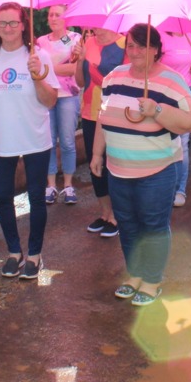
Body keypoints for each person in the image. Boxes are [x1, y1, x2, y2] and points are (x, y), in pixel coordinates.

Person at [90, 23, 191, 307]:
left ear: (155, 50)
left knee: (153, 224)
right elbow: (103, 117)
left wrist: (157, 110)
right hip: (118, 168)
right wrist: (97, 155)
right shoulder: (113, 77)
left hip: (157, 171)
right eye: (132, 46)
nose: (135, 51)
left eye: (142, 46)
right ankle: (135, 274)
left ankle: (152, 279)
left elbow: (188, 122)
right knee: (127, 223)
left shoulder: (172, 81)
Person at [0, 3, 59, 280]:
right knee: (2, 196)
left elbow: (50, 101)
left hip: (35, 139)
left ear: (24, 25)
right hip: (2, 142)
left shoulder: (39, 56)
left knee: (36, 197)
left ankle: (34, 254)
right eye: (2, 23)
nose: (8, 28)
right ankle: (14, 252)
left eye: (13, 23)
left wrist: (37, 76)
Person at [75, 27, 126, 237]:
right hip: (89, 114)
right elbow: (80, 82)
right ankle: (105, 212)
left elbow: (119, 83)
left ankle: (117, 215)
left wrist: (94, 68)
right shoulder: (89, 43)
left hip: (113, 114)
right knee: (96, 167)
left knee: (113, 166)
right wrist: (80, 61)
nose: (98, 28)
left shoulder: (124, 45)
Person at [36, 4, 83, 206]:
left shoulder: (74, 39)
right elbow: (38, 69)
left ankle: (69, 184)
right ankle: (51, 185)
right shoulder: (41, 41)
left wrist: (50, 69)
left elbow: (74, 68)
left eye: (58, 15)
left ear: (66, 19)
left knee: (67, 141)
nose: (53, 18)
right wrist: (58, 69)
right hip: (47, 96)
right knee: (48, 141)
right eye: (50, 15)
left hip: (68, 95)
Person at [161, 32, 191, 207]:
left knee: (183, 144)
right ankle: (165, 187)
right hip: (164, 93)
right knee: (165, 143)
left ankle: (180, 189)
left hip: (187, 93)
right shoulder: (158, 35)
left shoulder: (187, 35)